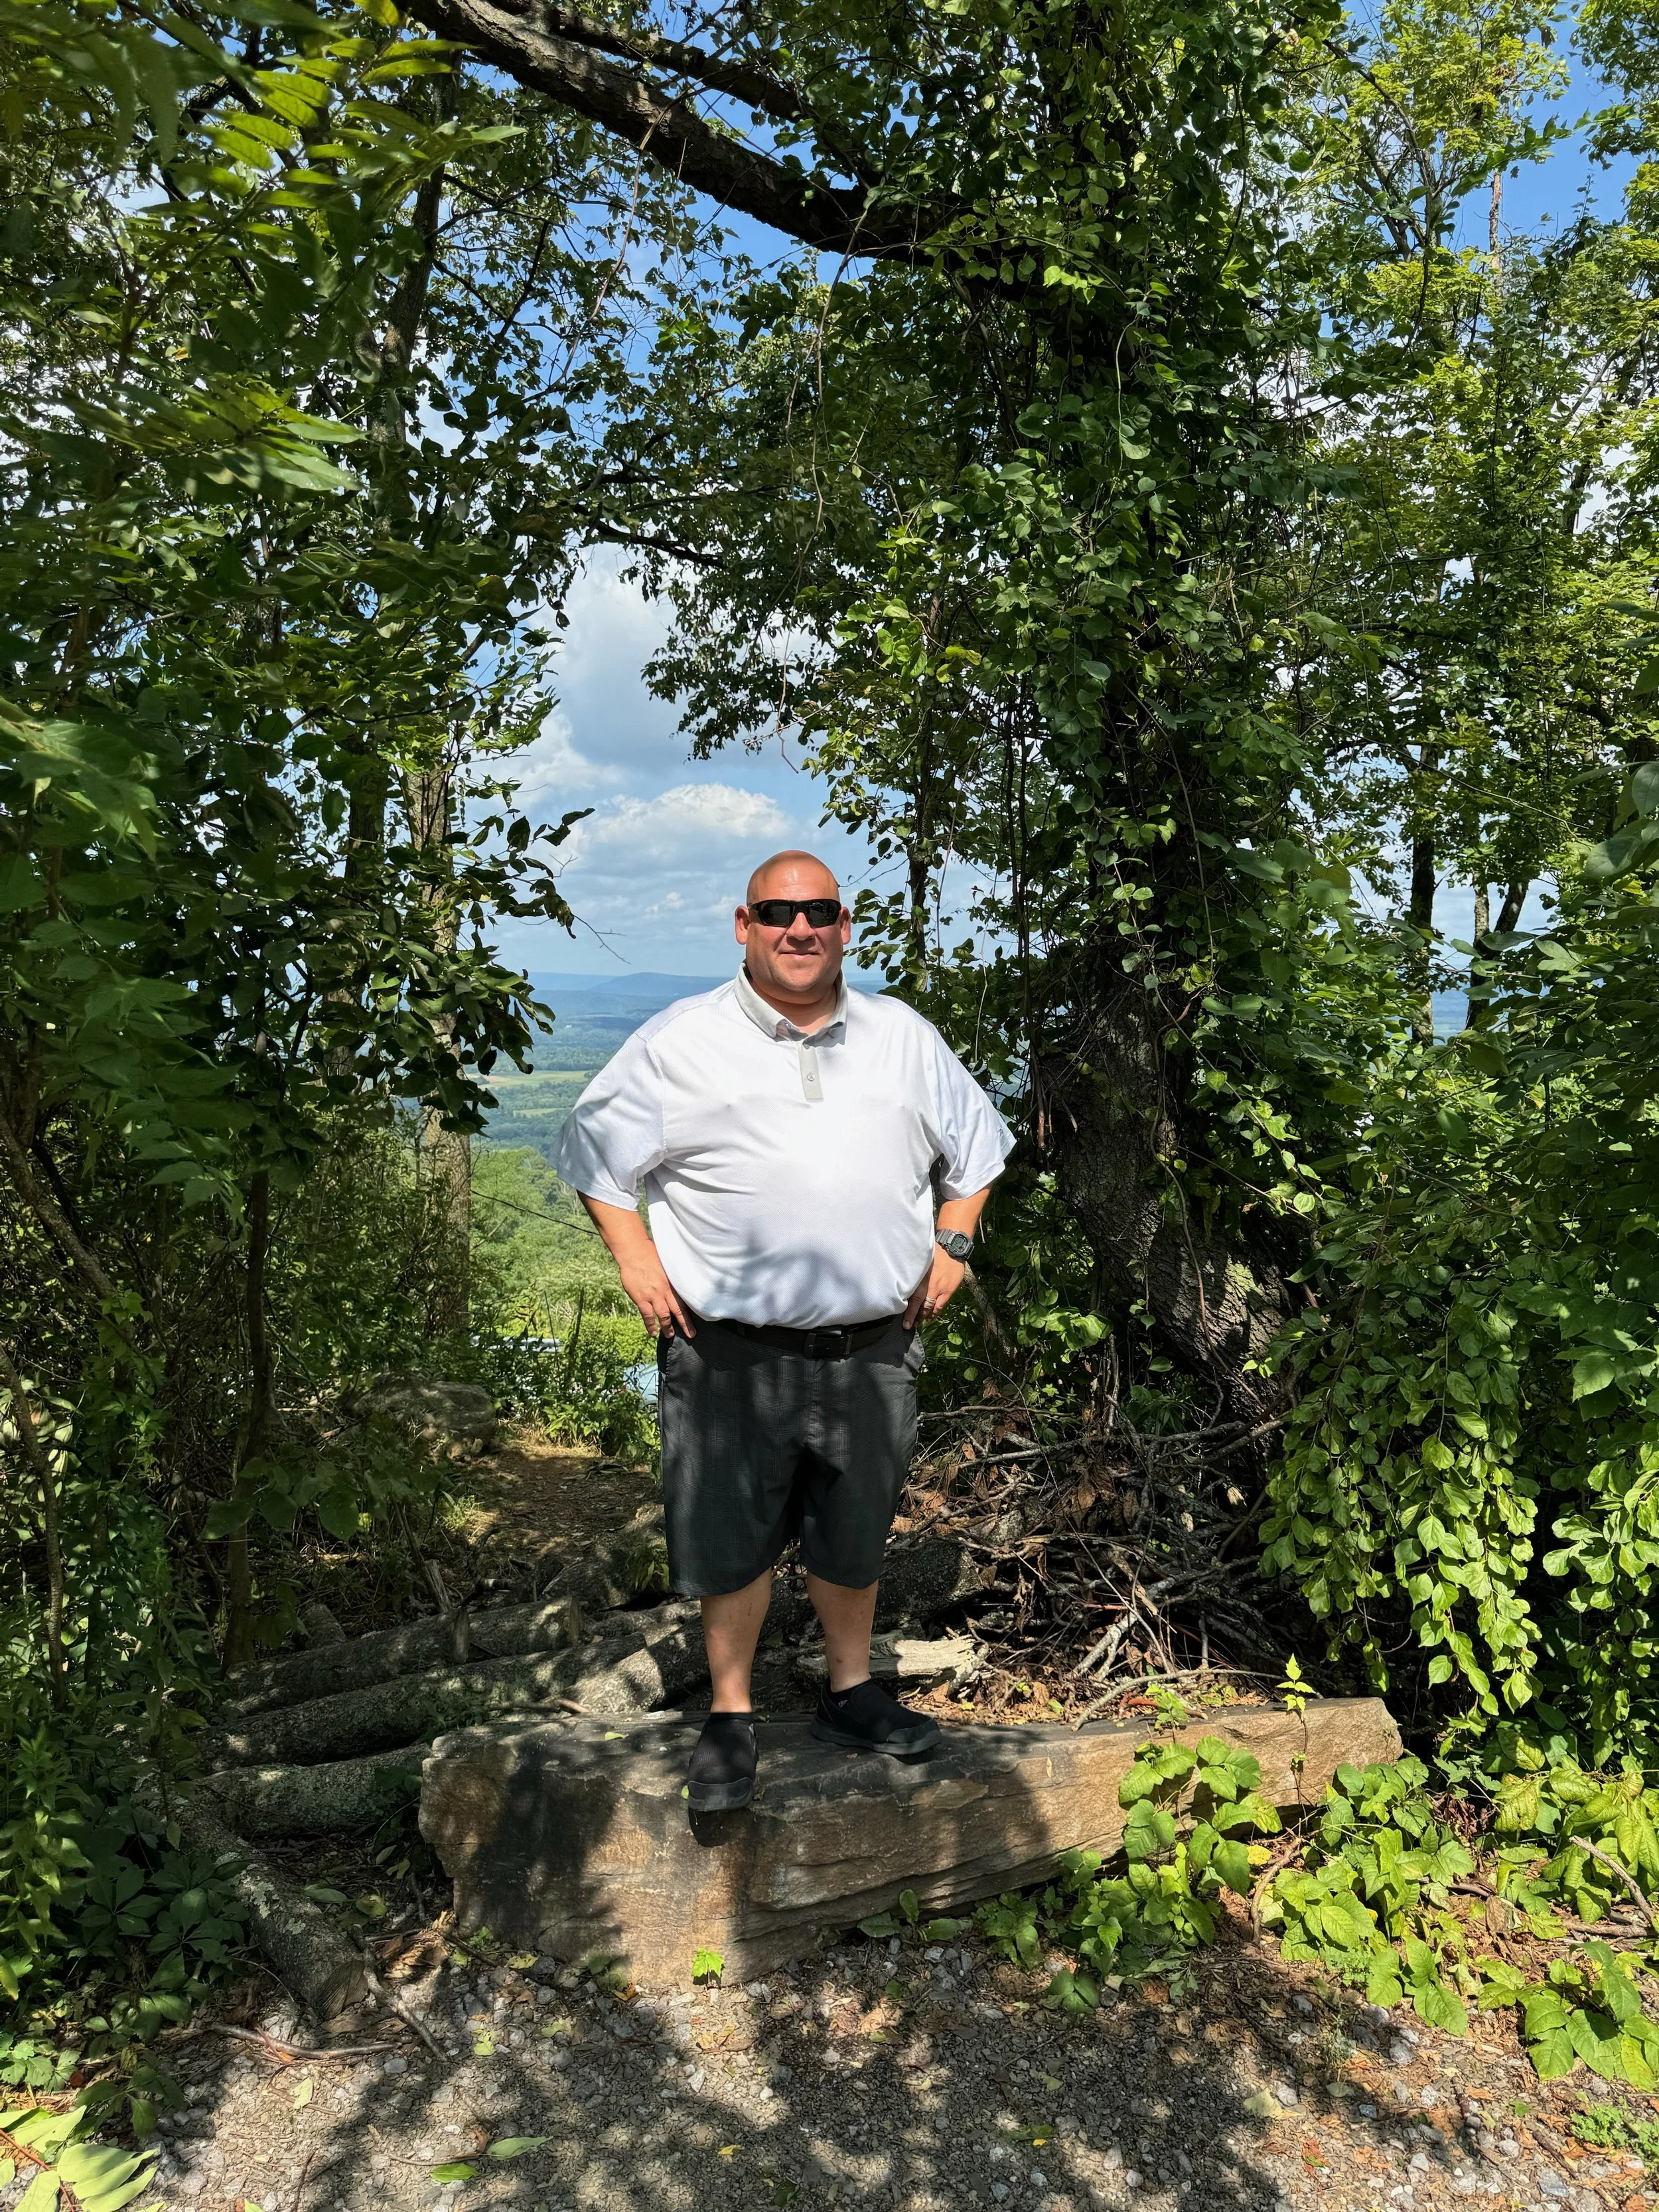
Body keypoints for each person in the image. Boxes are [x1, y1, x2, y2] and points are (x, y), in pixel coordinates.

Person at [555, 851, 1013, 1809]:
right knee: (733, 1535)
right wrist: (636, 1260)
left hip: (872, 1347)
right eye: (777, 913)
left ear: (846, 926)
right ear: (743, 925)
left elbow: (977, 1150)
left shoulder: (900, 1036)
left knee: (854, 1529)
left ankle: (851, 1692)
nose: (799, 930)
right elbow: (597, 1156)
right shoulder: (682, 1040)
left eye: (819, 913)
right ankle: (730, 1713)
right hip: (727, 1351)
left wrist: (957, 1241)